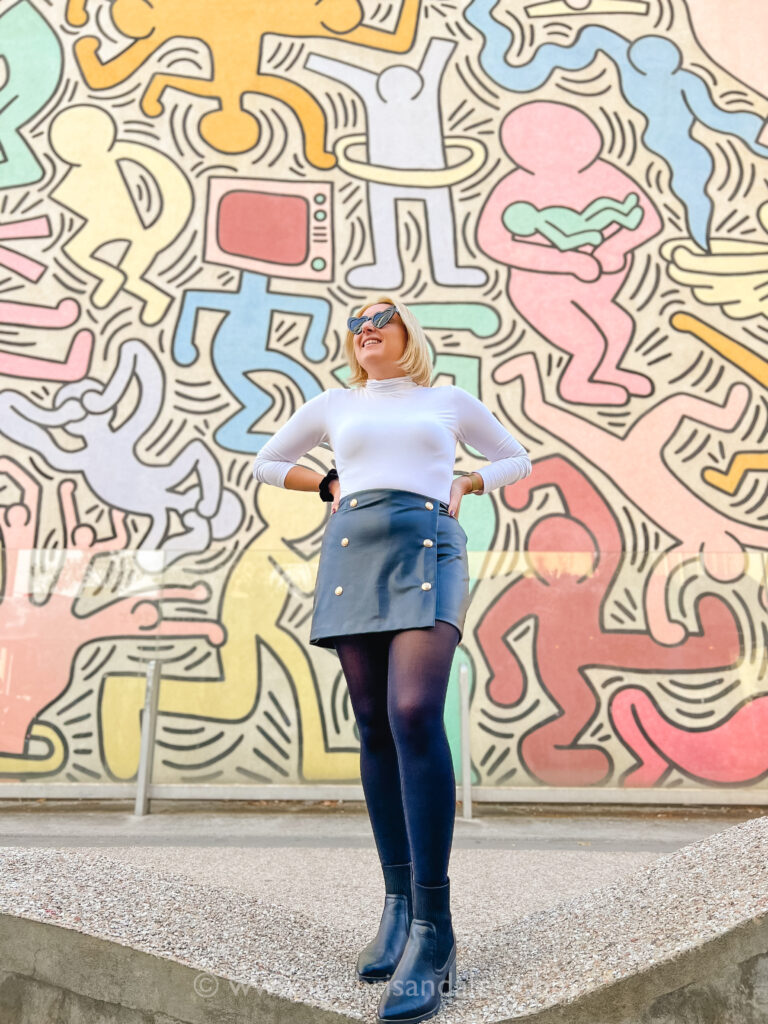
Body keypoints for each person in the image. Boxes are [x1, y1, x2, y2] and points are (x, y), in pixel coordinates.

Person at [252, 296, 532, 1024]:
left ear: (408, 332)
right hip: (352, 549)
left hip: (428, 546)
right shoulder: (334, 403)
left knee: (414, 709)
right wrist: (325, 484)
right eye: (355, 323)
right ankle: (399, 906)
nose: (365, 328)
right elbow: (267, 459)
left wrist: (471, 483)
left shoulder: (447, 399)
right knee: (373, 722)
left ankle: (435, 931)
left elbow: (514, 456)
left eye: (380, 318)